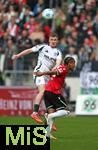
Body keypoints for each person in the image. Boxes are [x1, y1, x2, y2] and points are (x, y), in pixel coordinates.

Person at [12, 32, 62, 123]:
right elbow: (29, 50)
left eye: (55, 40)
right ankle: (35, 113)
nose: (53, 41)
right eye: (52, 39)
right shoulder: (43, 47)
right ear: (49, 40)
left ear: (57, 41)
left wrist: (56, 67)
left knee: (50, 95)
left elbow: (58, 63)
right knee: (42, 91)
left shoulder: (58, 52)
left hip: (47, 75)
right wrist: (18, 55)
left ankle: (49, 116)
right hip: (38, 73)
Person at [33, 56, 75, 139]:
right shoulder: (64, 69)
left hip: (47, 92)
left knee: (51, 115)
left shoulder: (60, 67)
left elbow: (55, 73)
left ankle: (47, 134)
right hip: (54, 92)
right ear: (68, 63)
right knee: (66, 111)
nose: (74, 65)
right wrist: (42, 73)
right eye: (73, 63)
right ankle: (48, 116)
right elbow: (55, 72)